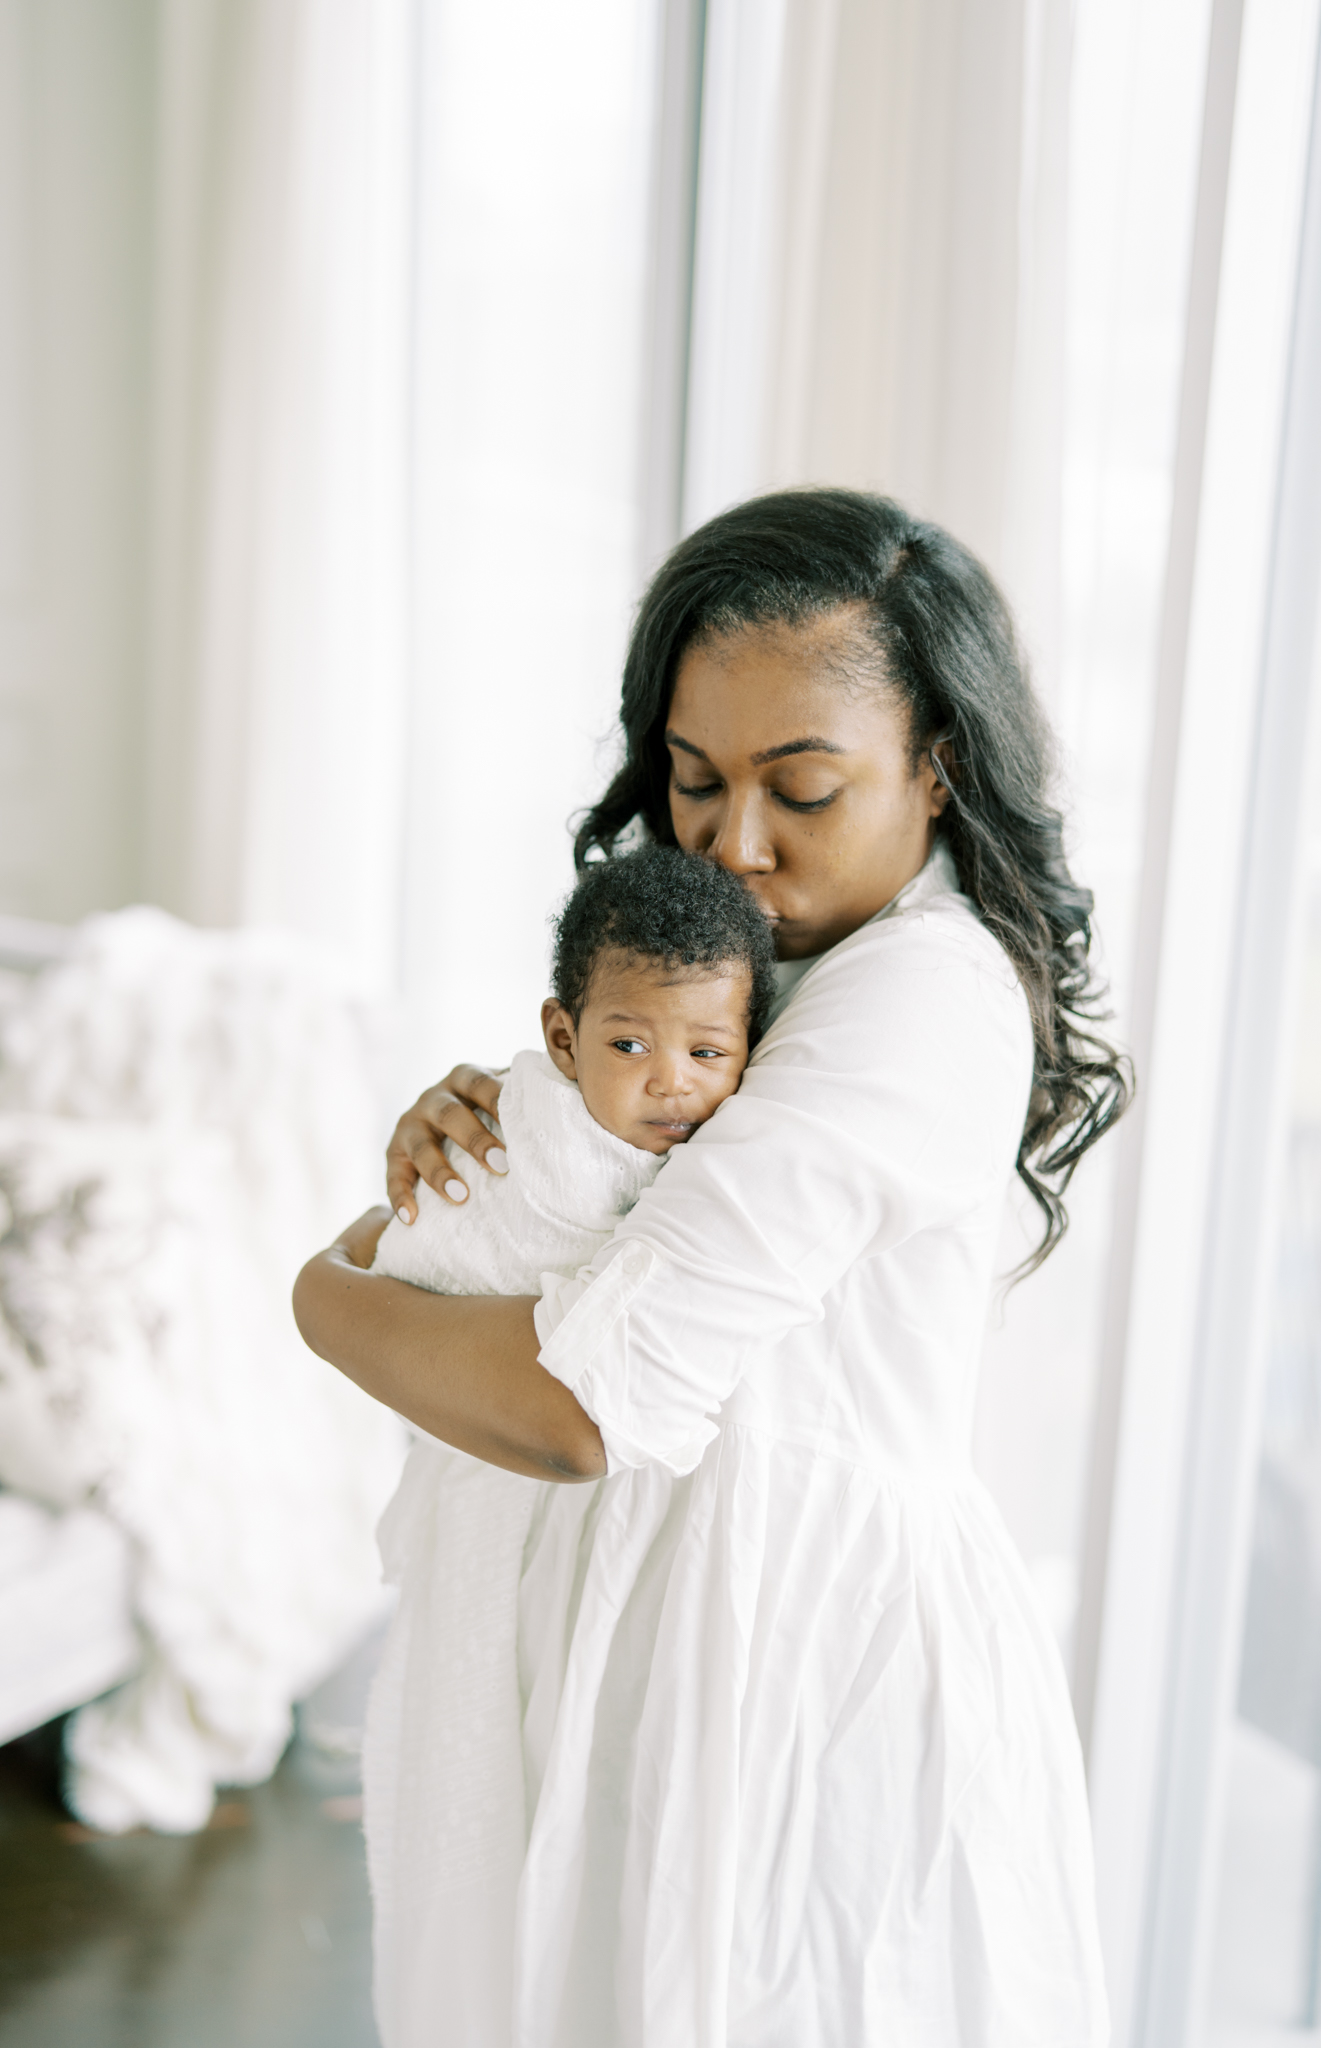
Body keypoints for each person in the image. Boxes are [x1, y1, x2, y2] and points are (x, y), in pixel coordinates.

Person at [294, 488, 1131, 2048]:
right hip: (662, 1629)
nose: (732, 844)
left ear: (937, 767)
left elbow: (577, 1401)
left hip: (796, 1666)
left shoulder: (921, 1001)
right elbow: (557, 1233)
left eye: (799, 790)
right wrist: (478, 1156)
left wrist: (323, 1296)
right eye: (691, 781)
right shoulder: (732, 974)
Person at [364, 847, 775, 2037]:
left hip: (595, 1485)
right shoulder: (528, 1142)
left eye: (708, 1052)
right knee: (480, 1782)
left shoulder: (732, 1158)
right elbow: (442, 1255)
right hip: (498, 1459)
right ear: (561, 1036)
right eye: (628, 1044)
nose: (668, 1085)